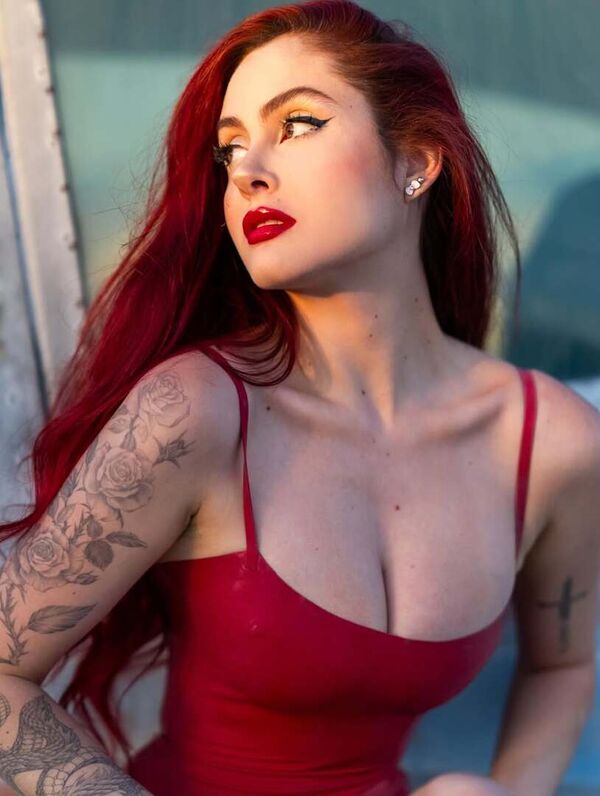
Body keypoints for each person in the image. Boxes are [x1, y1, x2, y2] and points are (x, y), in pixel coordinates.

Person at [0, 1, 598, 794]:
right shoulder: (196, 412)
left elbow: (564, 662)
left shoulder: (550, 441)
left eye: (299, 124)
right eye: (229, 149)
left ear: (417, 161)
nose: (247, 170)